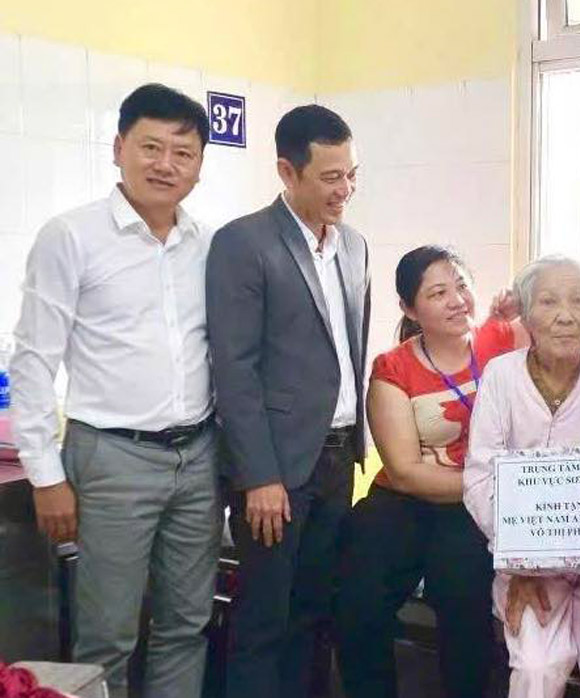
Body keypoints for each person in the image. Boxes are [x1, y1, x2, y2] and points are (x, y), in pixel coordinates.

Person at [10, 83, 219, 698]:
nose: (165, 164)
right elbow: (32, 363)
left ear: (199, 166)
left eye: (183, 152)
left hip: (199, 454)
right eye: (150, 146)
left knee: (187, 623)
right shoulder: (71, 236)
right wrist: (46, 475)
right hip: (110, 458)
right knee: (108, 635)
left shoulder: (208, 246)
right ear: (118, 148)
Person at [206, 105, 370, 698]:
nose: (344, 190)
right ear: (287, 171)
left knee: (311, 615)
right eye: (330, 177)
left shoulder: (353, 247)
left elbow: (349, 351)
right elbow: (235, 370)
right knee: (264, 622)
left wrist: (357, 448)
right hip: (275, 474)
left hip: (335, 463)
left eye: (352, 174)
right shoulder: (243, 244)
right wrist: (259, 477)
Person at [464, 255, 580, 698]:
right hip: (526, 571)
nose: (566, 315)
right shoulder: (501, 377)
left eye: (578, 301)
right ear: (526, 315)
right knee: (534, 667)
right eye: (548, 302)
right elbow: (480, 477)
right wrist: (523, 557)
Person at [336, 246, 515, 698]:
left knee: (464, 596)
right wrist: (494, 486)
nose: (457, 300)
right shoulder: (393, 368)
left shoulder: (502, 340)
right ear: (409, 309)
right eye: (438, 292)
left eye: (461, 286)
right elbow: (405, 471)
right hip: (405, 501)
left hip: (472, 507)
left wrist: (526, 307)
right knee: (359, 598)